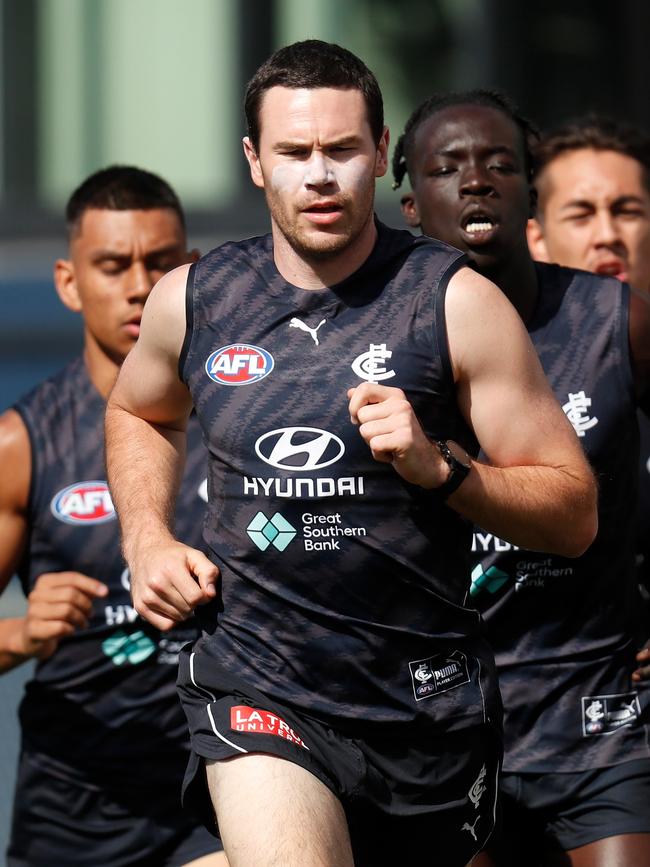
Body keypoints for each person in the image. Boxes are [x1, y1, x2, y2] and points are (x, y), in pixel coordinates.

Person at [105, 42, 596, 867]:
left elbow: (574, 515)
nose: (320, 176)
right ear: (255, 162)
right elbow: (139, 411)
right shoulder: (194, 298)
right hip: (258, 681)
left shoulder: (456, 301)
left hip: (423, 712)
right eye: (295, 153)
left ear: (378, 150)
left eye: (341, 150)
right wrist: (146, 535)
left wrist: (443, 468)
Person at [394, 90, 650, 866]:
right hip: (445, 720)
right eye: (449, 167)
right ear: (410, 203)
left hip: (598, 705)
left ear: (528, 196)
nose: (476, 181)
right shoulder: (377, 335)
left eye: (500, 164)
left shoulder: (619, 319)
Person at [0, 166, 227, 866]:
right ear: (68, 281)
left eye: (159, 263)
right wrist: (19, 631)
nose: (138, 285)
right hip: (74, 815)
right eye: (112, 264)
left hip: (218, 796)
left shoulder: (241, 416)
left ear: (189, 270)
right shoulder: (23, 441)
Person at [526, 116, 650, 653]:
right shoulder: (497, 371)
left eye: (627, 211)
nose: (608, 234)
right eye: (581, 213)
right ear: (537, 237)